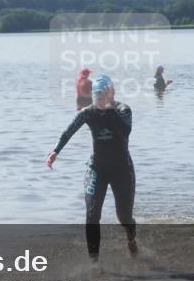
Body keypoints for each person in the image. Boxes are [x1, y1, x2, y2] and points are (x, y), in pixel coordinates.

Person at [46, 74, 137, 264]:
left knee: (125, 217)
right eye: (97, 96)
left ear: (112, 93)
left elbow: (125, 131)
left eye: (103, 94)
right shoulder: (88, 112)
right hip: (97, 168)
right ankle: (94, 264)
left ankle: (130, 239)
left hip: (122, 170)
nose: (100, 100)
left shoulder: (123, 110)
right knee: (92, 215)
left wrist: (110, 109)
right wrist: (55, 151)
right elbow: (68, 131)